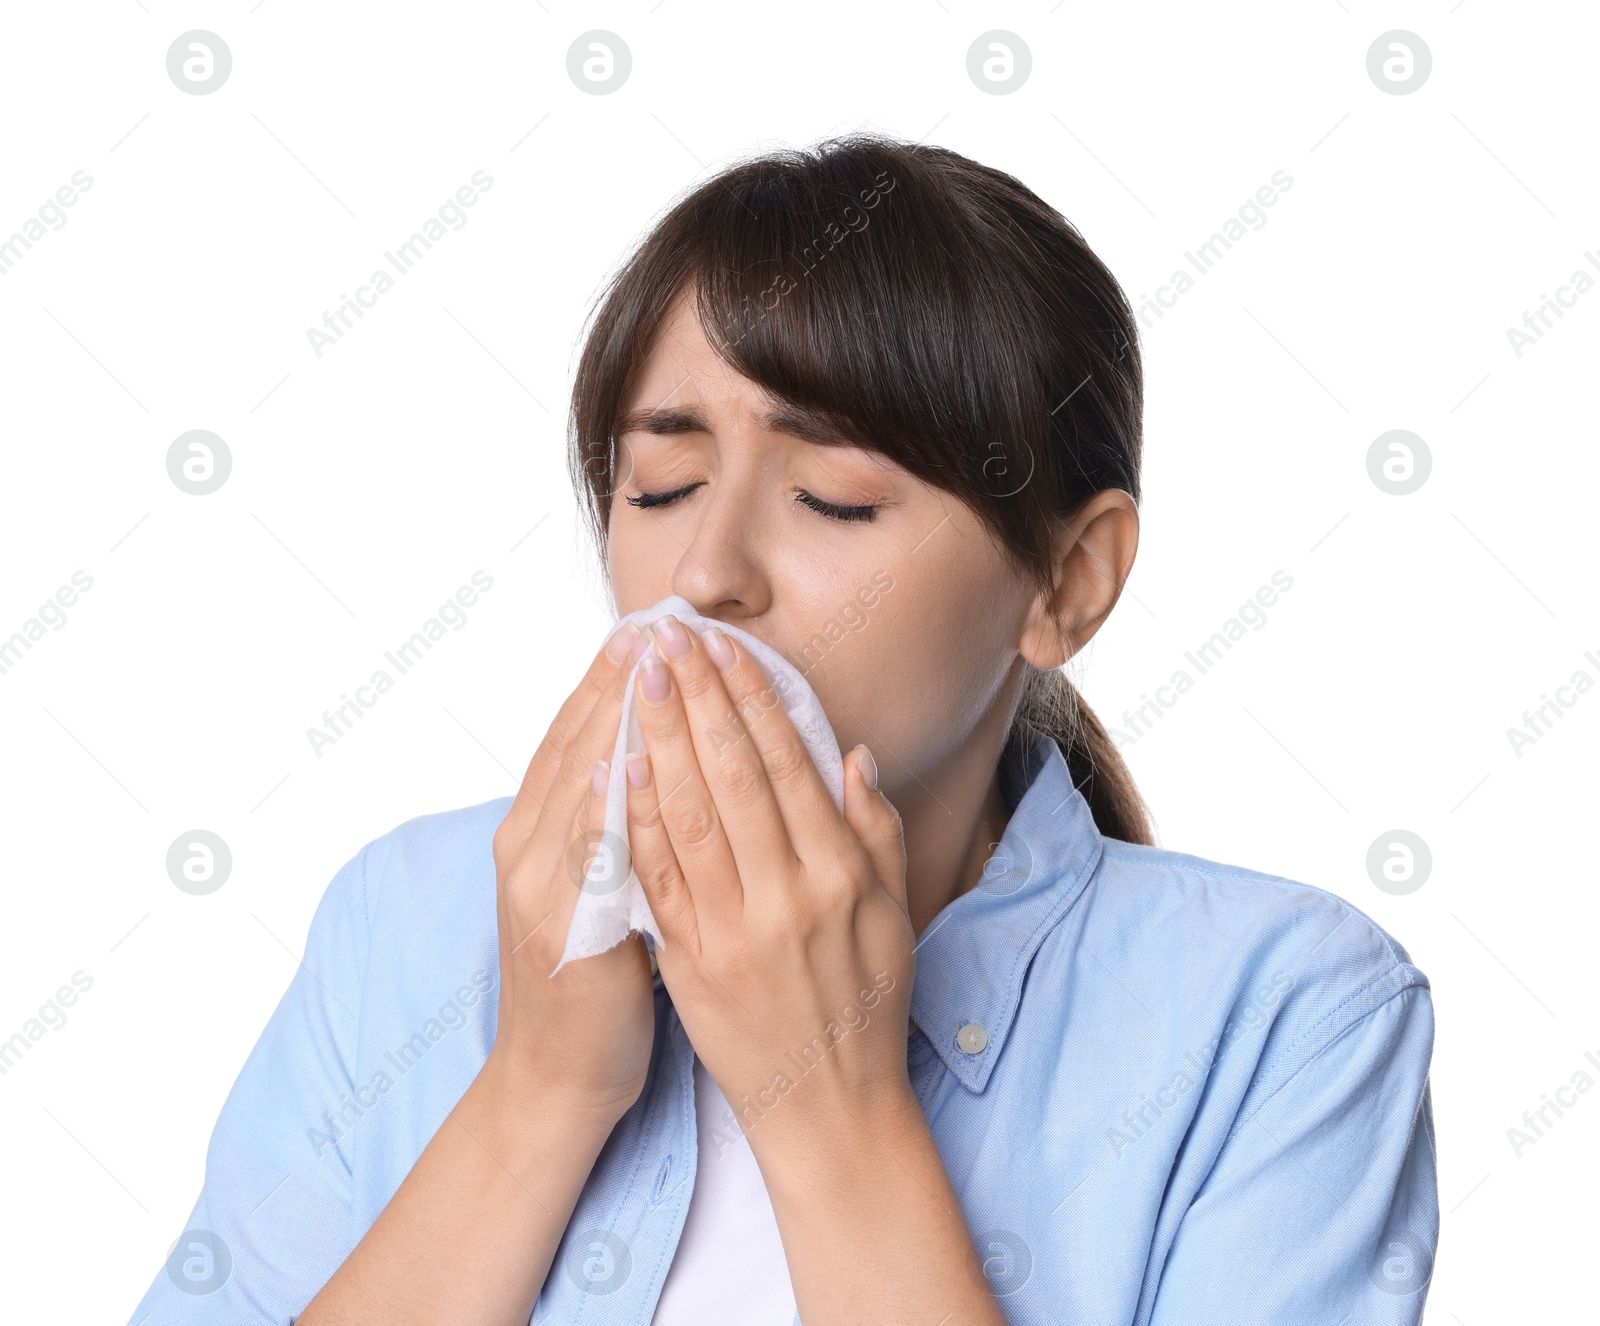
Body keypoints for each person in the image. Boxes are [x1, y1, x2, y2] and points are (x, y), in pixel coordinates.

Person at [127, 133, 1437, 1326]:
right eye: (665, 481)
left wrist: (828, 1107)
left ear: (1067, 582)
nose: (705, 569)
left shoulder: (1284, 1011)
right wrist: (539, 1091)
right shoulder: (403, 923)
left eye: (834, 497)